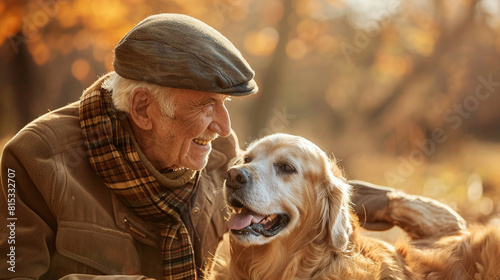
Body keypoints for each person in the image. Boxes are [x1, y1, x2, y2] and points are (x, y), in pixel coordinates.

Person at [0, 13, 465, 280]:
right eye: (207, 106)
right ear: (142, 108)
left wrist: (397, 204)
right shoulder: (30, 165)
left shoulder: (220, 156)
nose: (223, 128)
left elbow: (302, 192)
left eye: (224, 106)